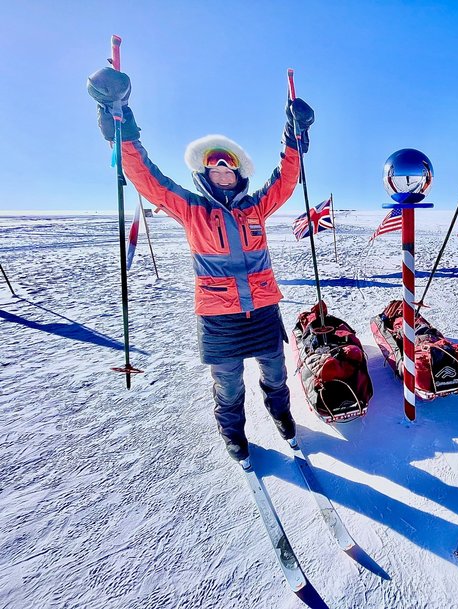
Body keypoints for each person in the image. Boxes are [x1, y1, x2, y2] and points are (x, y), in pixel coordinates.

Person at [87, 67, 315, 470]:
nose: (223, 173)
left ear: (238, 173)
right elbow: (148, 179)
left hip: (262, 309)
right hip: (218, 316)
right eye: (215, 169)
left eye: (229, 168)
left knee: (277, 375)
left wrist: (293, 136)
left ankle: (282, 418)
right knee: (227, 386)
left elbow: (286, 179)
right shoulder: (192, 208)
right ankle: (233, 435)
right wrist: (119, 119)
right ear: (205, 175)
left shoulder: (256, 206)